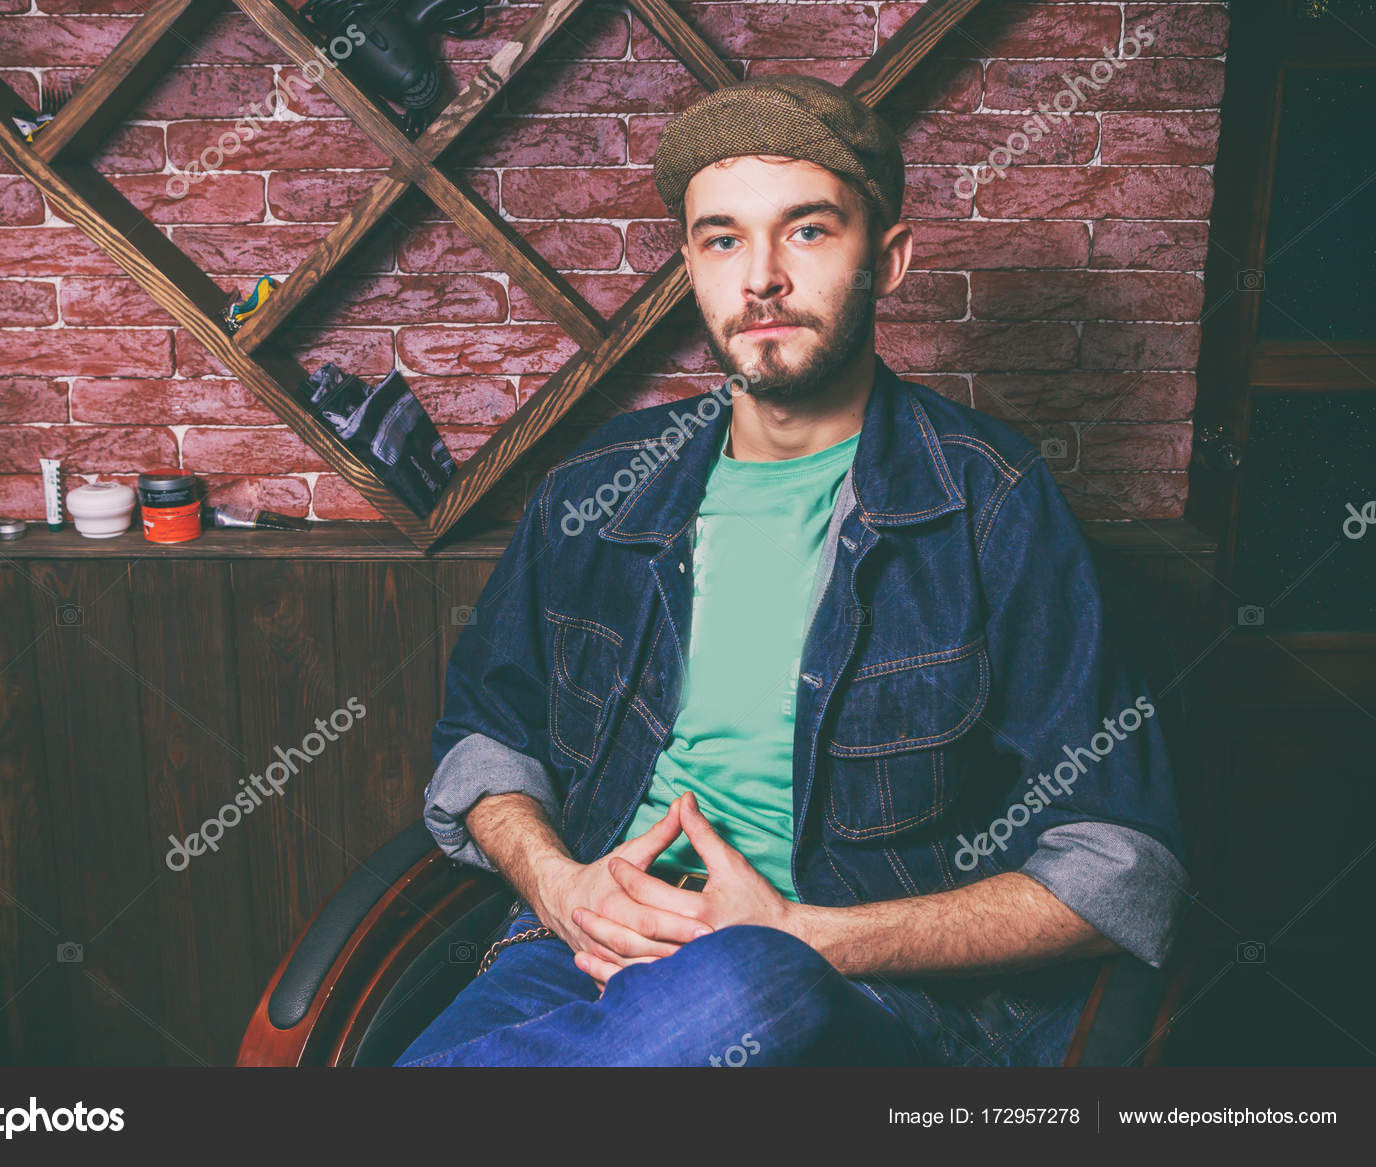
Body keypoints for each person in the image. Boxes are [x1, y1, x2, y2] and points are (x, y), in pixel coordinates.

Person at [396, 74, 1190, 1067]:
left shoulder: (990, 501)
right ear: (689, 265)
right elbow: (485, 742)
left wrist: (804, 933)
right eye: (721, 239)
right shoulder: (600, 486)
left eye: (807, 231)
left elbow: (1122, 868)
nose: (760, 277)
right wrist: (561, 886)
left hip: (851, 983)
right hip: (579, 948)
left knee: (742, 986)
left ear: (887, 259)